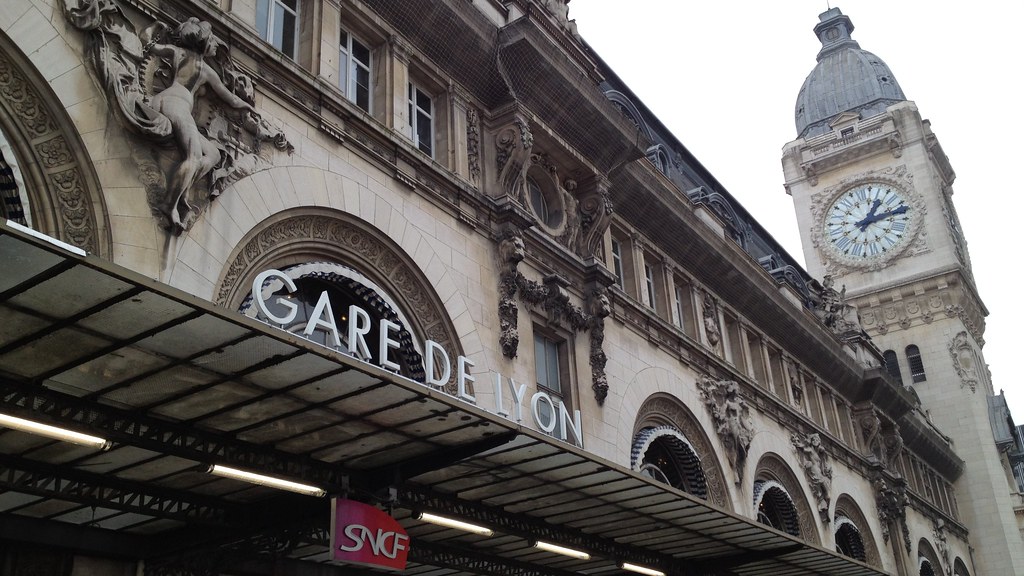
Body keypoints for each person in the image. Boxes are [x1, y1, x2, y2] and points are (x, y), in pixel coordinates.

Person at [147, 18, 257, 229]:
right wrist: (248, 107)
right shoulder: (204, 70)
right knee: (194, 156)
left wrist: (153, 28)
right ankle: (169, 205)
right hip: (176, 105)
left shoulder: (177, 53)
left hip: (164, 100)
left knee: (213, 155)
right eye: (213, 42)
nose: (216, 46)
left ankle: (184, 185)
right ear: (204, 43)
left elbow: (152, 45)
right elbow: (231, 99)